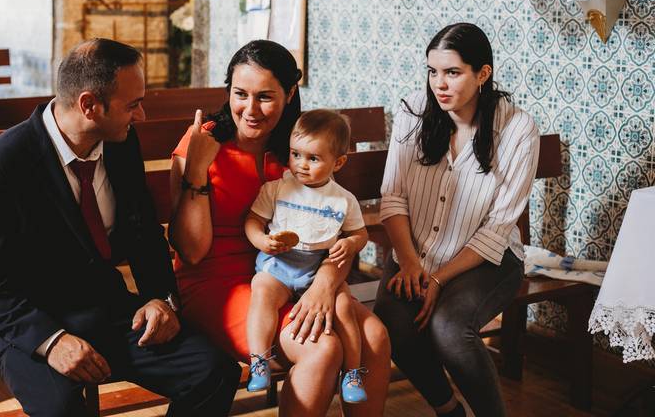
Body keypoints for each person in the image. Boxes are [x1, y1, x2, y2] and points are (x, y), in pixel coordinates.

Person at [0, 38, 240, 417]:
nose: (141, 116)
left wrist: (160, 299)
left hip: (105, 308)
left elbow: (143, 235)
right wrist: (52, 341)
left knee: (215, 372)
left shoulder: (121, 142)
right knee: (62, 408)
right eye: (133, 104)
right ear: (89, 105)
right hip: (28, 321)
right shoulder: (0, 164)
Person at [169, 39, 390, 416]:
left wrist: (324, 284)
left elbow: (333, 228)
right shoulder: (202, 142)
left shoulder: (300, 149)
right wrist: (196, 170)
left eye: (265, 97)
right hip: (216, 282)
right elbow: (191, 251)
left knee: (375, 335)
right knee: (322, 348)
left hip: (299, 273)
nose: (250, 109)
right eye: (240, 94)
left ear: (289, 94)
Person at [373, 22, 539, 417]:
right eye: (433, 71)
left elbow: (498, 227)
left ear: (483, 74)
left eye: (452, 72)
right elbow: (392, 197)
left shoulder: (517, 129)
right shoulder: (413, 112)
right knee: (393, 319)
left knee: (449, 329)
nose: (439, 84)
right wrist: (411, 264)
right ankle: (448, 410)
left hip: (486, 258)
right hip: (415, 252)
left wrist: (437, 279)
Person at [244, 109, 370, 403]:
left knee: (343, 308)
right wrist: (262, 241)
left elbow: (359, 234)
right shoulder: (276, 189)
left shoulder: (343, 200)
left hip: (317, 268)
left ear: (338, 162)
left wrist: (351, 244)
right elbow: (252, 220)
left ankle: (352, 373)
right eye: (295, 154)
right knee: (261, 291)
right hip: (279, 266)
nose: (301, 164)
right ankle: (259, 360)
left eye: (313, 158)